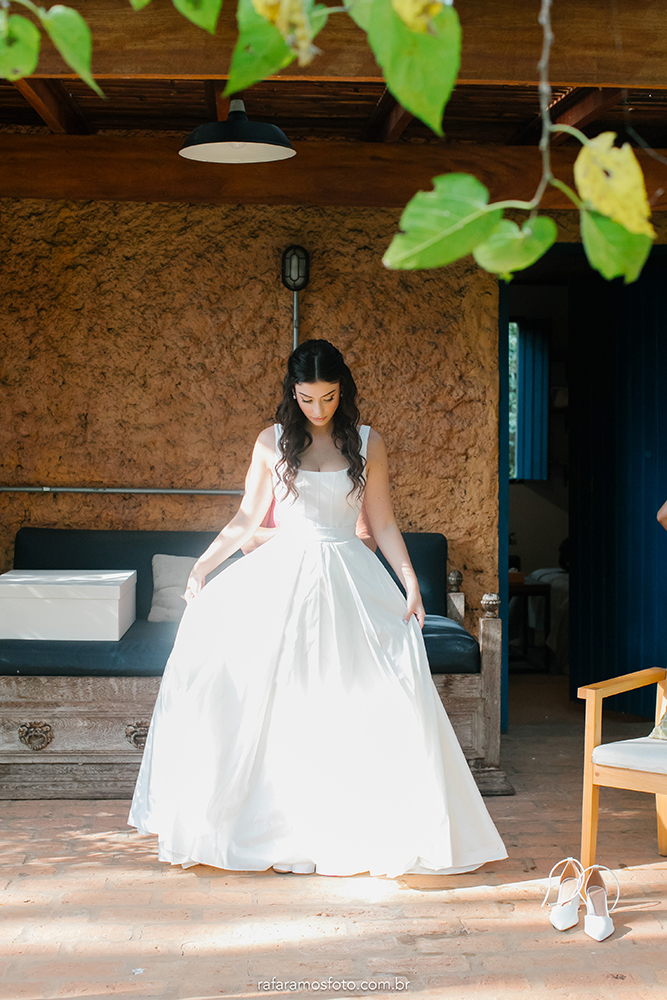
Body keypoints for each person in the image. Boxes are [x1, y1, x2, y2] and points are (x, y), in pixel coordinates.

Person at [128, 340, 507, 877]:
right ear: (293, 394)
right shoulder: (271, 442)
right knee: (265, 691)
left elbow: (385, 523)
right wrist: (203, 566)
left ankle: (353, 821)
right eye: (307, 399)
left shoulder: (368, 443)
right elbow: (244, 519)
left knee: (359, 692)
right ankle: (271, 826)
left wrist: (410, 583)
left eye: (329, 397)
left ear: (342, 391)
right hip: (282, 575)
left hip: (350, 575)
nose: (320, 410)